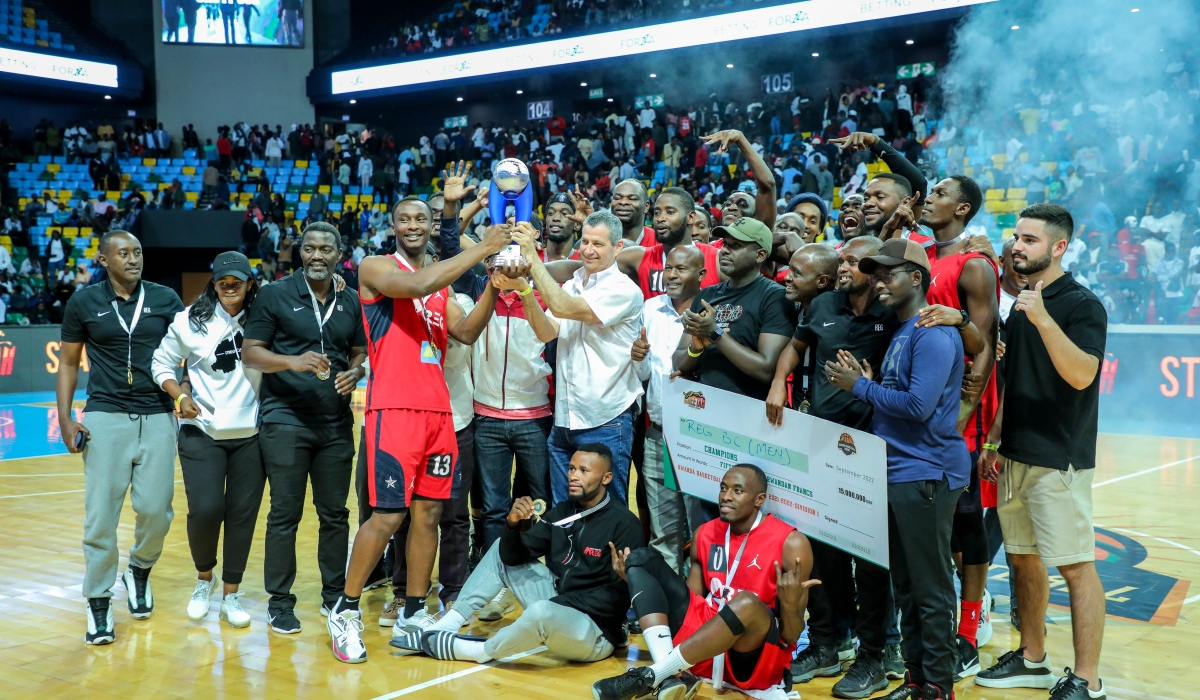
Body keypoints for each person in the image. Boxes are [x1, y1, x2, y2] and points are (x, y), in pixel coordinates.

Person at [323, 201, 508, 663]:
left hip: (438, 415)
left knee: (429, 518)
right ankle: (344, 611)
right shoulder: (377, 267)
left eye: (420, 219)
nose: (412, 226)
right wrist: (482, 247)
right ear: (393, 226)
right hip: (394, 411)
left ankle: (411, 612)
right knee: (387, 518)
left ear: (429, 226)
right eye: (404, 219)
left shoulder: (441, 287)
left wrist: (495, 290)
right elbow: (420, 283)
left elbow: (463, 334)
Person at [826, 238, 976, 700]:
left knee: (930, 589)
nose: (879, 281)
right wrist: (870, 385)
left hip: (926, 471)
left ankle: (938, 685)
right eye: (876, 273)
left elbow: (917, 405)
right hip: (898, 471)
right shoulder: (904, 331)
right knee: (908, 587)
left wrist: (860, 389)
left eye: (888, 273)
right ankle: (916, 678)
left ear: (916, 277)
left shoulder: (932, 332)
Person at [977, 204, 1109, 700]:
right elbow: (1012, 382)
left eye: (1030, 239)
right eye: (1016, 236)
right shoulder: (1023, 301)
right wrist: (993, 438)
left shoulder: (1080, 304)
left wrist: (1045, 319)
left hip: (1060, 457)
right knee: (1021, 559)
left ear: (1058, 247)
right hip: (1015, 452)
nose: (1017, 246)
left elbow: (1082, 375)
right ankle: (1033, 659)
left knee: (1077, 566)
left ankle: (1088, 679)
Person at [766, 235, 906, 693]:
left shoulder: (892, 312)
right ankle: (828, 642)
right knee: (822, 548)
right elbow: (795, 346)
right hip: (821, 441)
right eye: (841, 259)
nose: (844, 265)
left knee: (869, 557)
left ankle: (881, 647)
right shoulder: (824, 302)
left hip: (871, 448)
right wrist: (778, 381)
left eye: (853, 260)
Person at [391, 445, 644, 668]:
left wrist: (561, 603)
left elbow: (620, 598)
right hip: (560, 605)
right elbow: (513, 558)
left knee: (542, 611)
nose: (574, 476)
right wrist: (512, 526)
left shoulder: (625, 525)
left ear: (607, 477)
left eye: (584, 471)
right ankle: (448, 625)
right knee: (501, 547)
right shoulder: (563, 511)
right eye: (571, 468)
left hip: (595, 631)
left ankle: (480, 651)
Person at [591, 464, 818, 700]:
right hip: (706, 643)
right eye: (723, 488)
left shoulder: (792, 543)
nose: (726, 496)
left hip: (752, 654)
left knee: (746, 603)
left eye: (737, 491)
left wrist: (791, 606)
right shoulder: (705, 533)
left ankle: (653, 674)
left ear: (759, 499)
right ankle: (668, 677)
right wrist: (638, 580)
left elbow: (791, 636)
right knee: (639, 559)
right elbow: (690, 603)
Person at [56, 230, 185, 645]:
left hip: (158, 415)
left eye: (138, 252)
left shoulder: (165, 299)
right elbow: (69, 364)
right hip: (105, 415)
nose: (133, 259)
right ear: (103, 259)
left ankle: (140, 570)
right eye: (123, 253)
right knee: (101, 518)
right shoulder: (84, 302)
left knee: (155, 511)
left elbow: (191, 347)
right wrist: (65, 419)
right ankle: (97, 602)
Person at [241, 222, 368, 635]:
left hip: (334, 422)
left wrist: (356, 372)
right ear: (300, 253)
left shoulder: (350, 300)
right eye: (310, 249)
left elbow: (359, 350)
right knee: (285, 513)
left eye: (325, 250)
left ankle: (335, 596)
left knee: (335, 514)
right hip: (285, 420)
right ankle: (280, 602)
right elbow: (252, 353)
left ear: (338, 254)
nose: (317, 256)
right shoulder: (275, 294)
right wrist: (292, 361)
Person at [150, 251, 263, 629]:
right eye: (223, 282)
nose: (230, 288)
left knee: (243, 516)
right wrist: (180, 396)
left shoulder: (266, 314)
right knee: (206, 509)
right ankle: (204, 579)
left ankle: (232, 594)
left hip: (252, 434)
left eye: (237, 282)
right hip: (203, 431)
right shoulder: (190, 320)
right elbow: (161, 363)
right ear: (214, 284)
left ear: (250, 283)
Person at [918, 175, 1001, 679]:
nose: (930, 197)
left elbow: (985, 343)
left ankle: (968, 631)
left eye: (940, 193)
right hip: (918, 410)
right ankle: (943, 616)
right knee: (935, 528)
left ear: (963, 207)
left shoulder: (973, 264)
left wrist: (965, 417)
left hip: (955, 417)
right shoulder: (920, 255)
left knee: (967, 529)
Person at [515, 211, 644, 506]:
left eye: (598, 244)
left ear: (618, 247)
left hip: (606, 417)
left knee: (606, 513)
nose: (588, 250)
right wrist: (525, 291)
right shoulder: (574, 284)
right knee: (564, 512)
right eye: (585, 241)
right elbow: (547, 331)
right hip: (566, 418)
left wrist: (532, 259)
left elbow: (565, 308)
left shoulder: (624, 290)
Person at [632, 245, 705, 575]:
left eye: (681, 269)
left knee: (700, 529)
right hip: (657, 433)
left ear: (701, 275)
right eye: (669, 268)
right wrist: (638, 358)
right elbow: (645, 376)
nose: (671, 275)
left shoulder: (710, 312)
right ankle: (666, 605)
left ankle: (698, 606)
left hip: (698, 438)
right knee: (664, 533)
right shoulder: (650, 308)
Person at [671, 217, 795, 401]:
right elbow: (678, 361)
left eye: (735, 246)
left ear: (760, 255)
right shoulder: (707, 295)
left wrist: (715, 333)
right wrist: (695, 348)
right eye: (725, 245)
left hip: (748, 413)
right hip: (704, 407)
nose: (724, 251)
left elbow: (767, 370)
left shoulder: (775, 297)